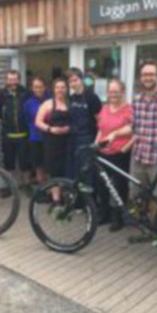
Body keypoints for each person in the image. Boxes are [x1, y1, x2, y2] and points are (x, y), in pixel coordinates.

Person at [105, 60, 157, 239]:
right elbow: (134, 128)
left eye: (151, 74)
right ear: (140, 78)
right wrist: (115, 134)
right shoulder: (138, 100)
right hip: (139, 157)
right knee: (137, 196)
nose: (148, 77)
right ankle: (152, 229)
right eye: (144, 75)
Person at [95, 79, 134, 232]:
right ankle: (103, 214)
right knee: (102, 185)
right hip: (102, 153)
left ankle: (117, 217)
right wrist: (96, 145)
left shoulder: (129, 110)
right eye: (111, 91)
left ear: (123, 92)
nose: (113, 95)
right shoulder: (104, 109)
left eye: (116, 91)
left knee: (118, 187)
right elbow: (100, 129)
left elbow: (134, 131)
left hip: (120, 154)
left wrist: (126, 147)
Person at [65, 67, 102, 212]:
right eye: (70, 81)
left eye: (75, 80)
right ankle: (78, 203)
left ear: (81, 80)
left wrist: (96, 143)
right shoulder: (71, 98)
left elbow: (100, 122)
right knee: (75, 173)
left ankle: (90, 206)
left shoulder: (92, 97)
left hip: (87, 140)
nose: (73, 83)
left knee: (88, 174)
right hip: (73, 140)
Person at [35, 78, 70, 201]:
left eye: (63, 87)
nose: (60, 90)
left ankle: (65, 195)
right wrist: (50, 129)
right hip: (52, 142)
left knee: (66, 169)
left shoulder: (69, 104)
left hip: (67, 142)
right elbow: (38, 122)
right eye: (57, 87)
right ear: (53, 89)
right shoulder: (48, 104)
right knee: (54, 170)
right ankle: (56, 198)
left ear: (66, 89)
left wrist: (69, 128)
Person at [0, 69, 31, 188]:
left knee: (25, 163)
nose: (12, 82)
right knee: (9, 163)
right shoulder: (2, 94)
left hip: (24, 135)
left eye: (15, 79)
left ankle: (26, 185)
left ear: (19, 80)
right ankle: (10, 187)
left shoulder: (26, 93)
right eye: (10, 79)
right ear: (6, 80)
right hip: (8, 135)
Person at [24, 77, 50, 185]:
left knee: (49, 165)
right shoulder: (28, 103)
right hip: (35, 137)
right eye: (35, 87)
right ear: (32, 88)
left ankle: (52, 190)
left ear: (45, 87)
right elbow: (27, 119)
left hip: (49, 137)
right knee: (38, 165)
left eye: (40, 86)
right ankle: (42, 189)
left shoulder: (51, 100)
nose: (38, 89)